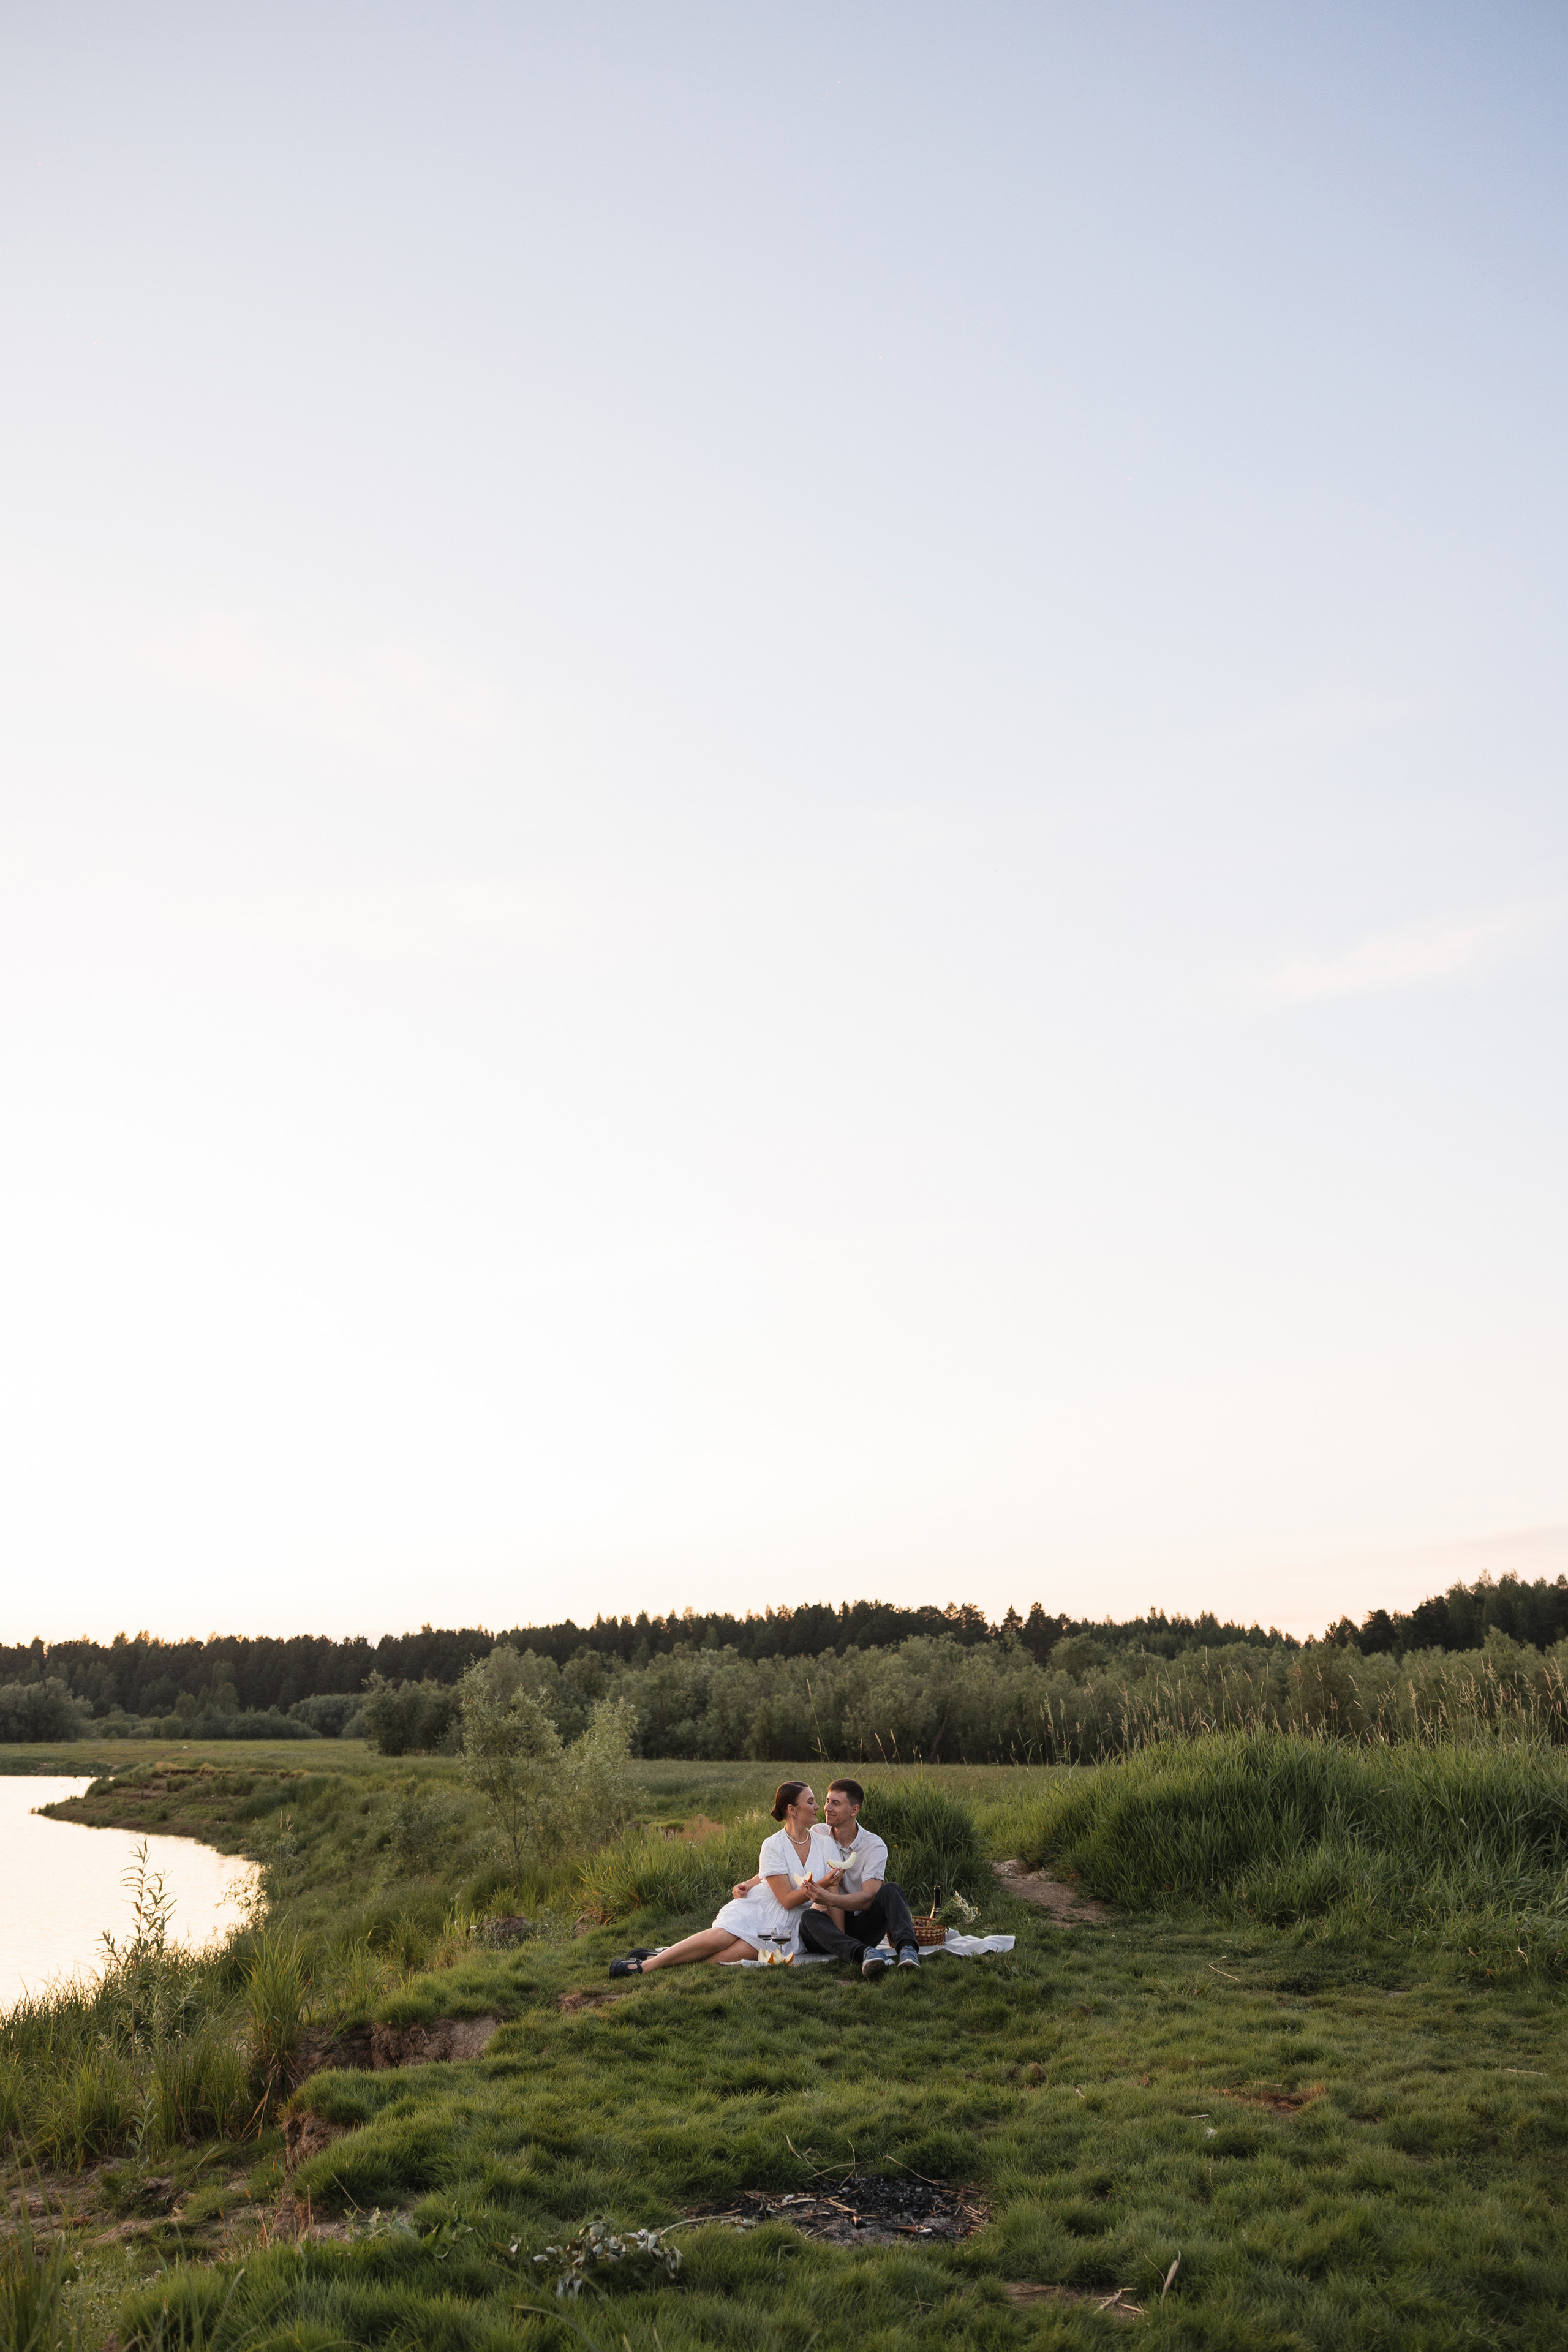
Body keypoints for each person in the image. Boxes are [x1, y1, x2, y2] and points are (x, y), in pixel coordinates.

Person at [607, 1781, 832, 1977]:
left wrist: (748, 1883)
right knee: (721, 1939)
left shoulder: (822, 1839)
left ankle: (668, 1957)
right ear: (792, 1809)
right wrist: (824, 1884)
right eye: (811, 1801)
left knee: (732, 1955)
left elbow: (777, 1873)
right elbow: (784, 1896)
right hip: (766, 1906)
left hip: (794, 1922)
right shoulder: (773, 1844)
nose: (817, 1807)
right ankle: (649, 1966)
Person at [797, 1776, 921, 1980]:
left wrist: (828, 1898)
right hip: (828, 1928)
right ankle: (864, 1954)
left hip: (861, 1923)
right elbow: (789, 1859)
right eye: (827, 1801)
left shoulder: (874, 1845)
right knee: (808, 1918)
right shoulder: (817, 1833)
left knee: (891, 1889)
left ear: (854, 1810)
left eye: (835, 1803)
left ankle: (908, 1950)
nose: (827, 1807)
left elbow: (869, 1898)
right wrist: (749, 1883)